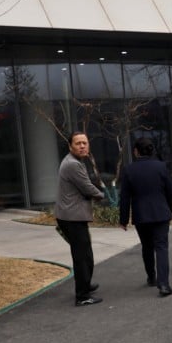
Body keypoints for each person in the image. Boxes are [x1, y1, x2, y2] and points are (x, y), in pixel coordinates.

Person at [119, 137, 172, 297]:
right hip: (161, 213)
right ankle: (164, 284)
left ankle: (151, 277)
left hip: (141, 215)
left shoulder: (128, 170)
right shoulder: (161, 167)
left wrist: (123, 220)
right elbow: (169, 191)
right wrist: (169, 210)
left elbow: (125, 197)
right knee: (161, 247)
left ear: (136, 151)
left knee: (147, 246)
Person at [55, 131, 106, 306]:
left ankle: (85, 284)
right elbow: (86, 187)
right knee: (82, 256)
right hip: (72, 217)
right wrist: (103, 195)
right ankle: (82, 296)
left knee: (85, 254)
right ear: (70, 146)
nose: (82, 146)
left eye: (85, 142)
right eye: (78, 143)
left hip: (72, 215)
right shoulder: (73, 164)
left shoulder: (76, 161)